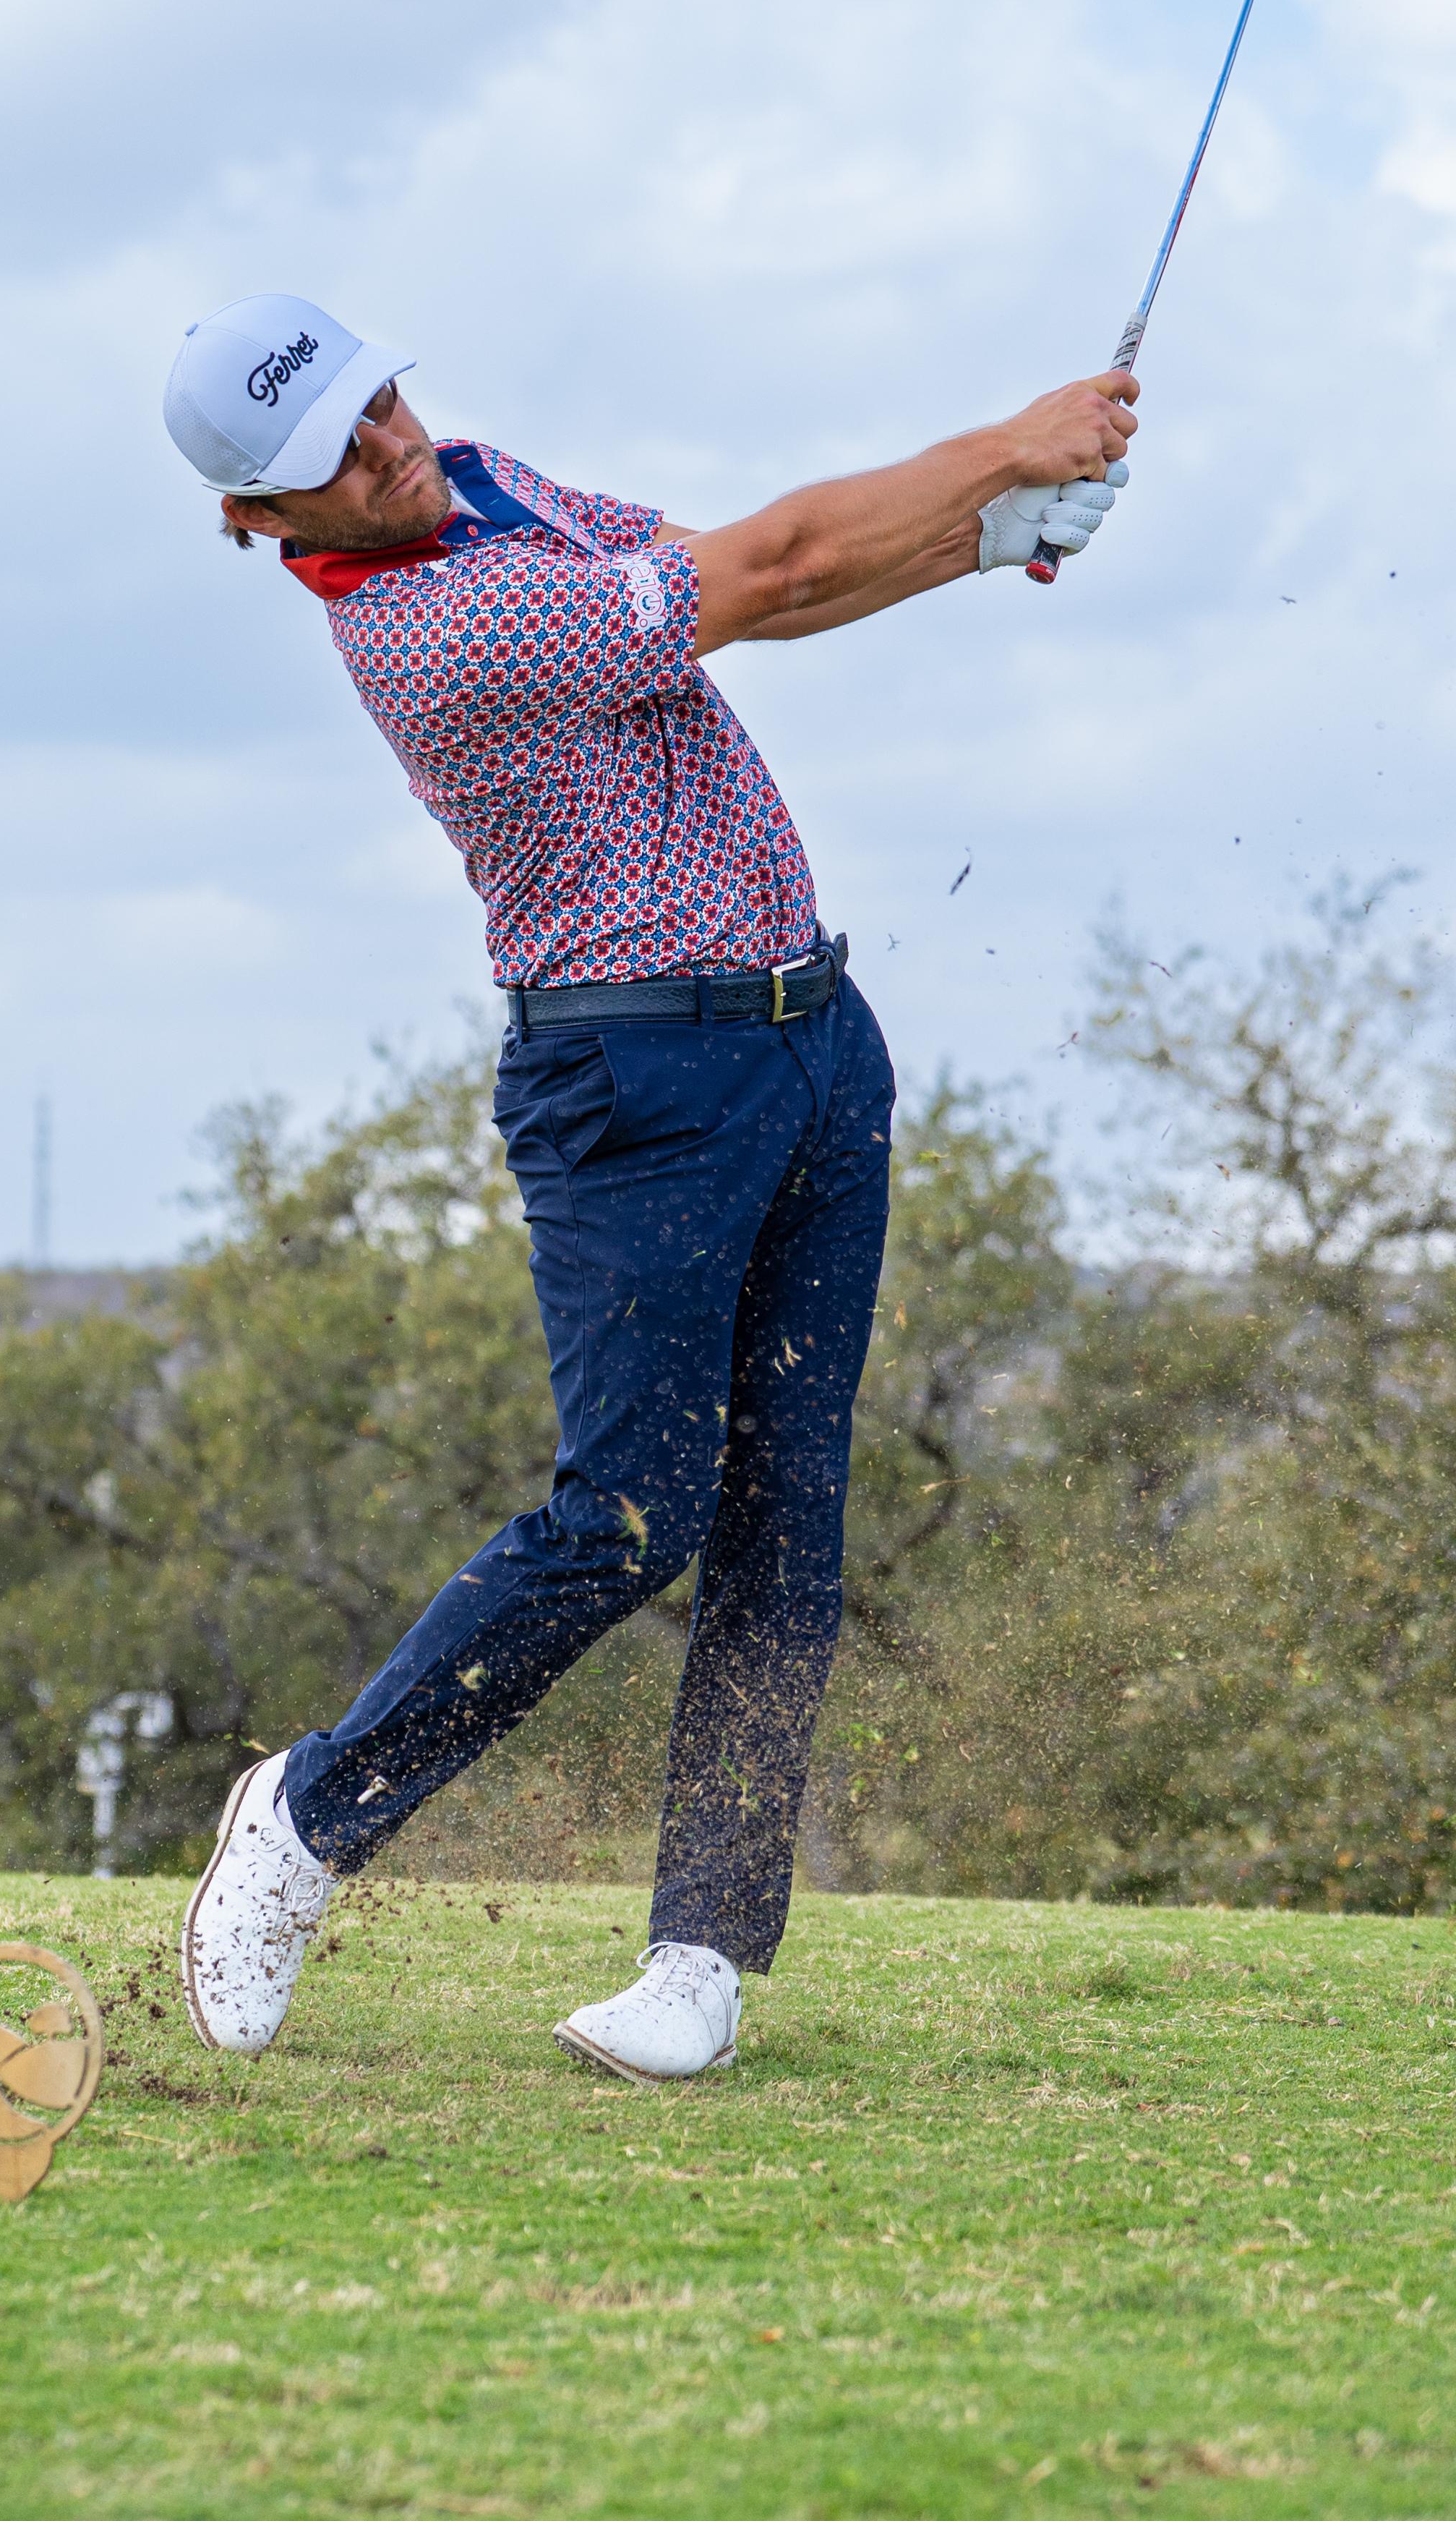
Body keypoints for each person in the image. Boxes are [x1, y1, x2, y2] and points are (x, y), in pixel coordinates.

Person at [160, 293, 1136, 2083]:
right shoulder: (438, 626)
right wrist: (1007, 451)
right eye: (334, 460)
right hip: (635, 1082)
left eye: (378, 403)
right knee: (627, 1516)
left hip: (811, 1040)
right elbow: (765, 567)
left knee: (788, 1516)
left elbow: (741, 584)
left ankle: (699, 1957)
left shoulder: (480, 484)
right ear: (260, 524)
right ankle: (303, 1820)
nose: (387, 451)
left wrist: (977, 545)